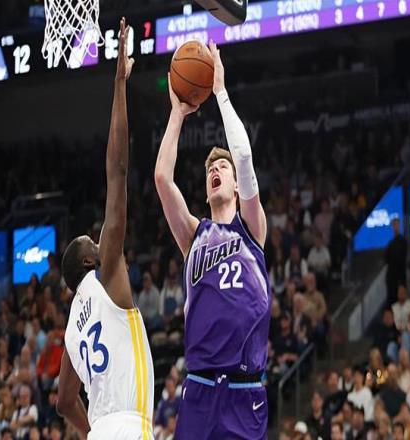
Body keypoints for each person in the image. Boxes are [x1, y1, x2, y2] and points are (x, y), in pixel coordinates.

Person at [155, 41, 270, 439]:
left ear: (237, 186)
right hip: (200, 389)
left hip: (245, 391)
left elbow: (244, 157)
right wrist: (177, 114)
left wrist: (219, 90)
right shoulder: (195, 235)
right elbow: (162, 179)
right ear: (207, 190)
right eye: (210, 170)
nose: (215, 170)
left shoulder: (251, 228)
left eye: (222, 167)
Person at [57, 19, 154, 440]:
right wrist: (119, 84)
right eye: (94, 242)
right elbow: (117, 172)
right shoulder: (107, 273)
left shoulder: (71, 328)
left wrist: (95, 428)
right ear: (90, 260)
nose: (102, 241)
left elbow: (63, 401)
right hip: (129, 428)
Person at [384, 218, 407, 306]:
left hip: (399, 276)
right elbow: (386, 258)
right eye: (394, 225)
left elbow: (402, 259)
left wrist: (402, 282)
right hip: (391, 277)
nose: (395, 227)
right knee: (392, 300)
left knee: (400, 301)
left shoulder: (402, 242)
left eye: (397, 225)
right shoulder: (390, 243)